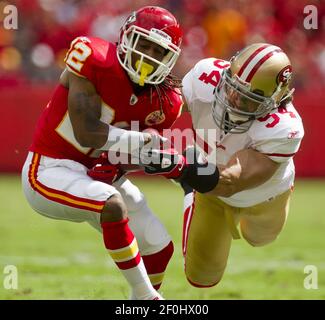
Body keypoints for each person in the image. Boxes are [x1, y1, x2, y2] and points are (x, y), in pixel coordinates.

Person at [21, 6, 183, 300]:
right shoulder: (94, 58)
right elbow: (87, 132)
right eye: (143, 44)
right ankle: (148, 297)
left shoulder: (166, 102)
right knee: (112, 204)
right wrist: (144, 142)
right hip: (49, 169)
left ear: (169, 58)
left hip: (98, 176)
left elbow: (129, 155)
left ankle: (138, 306)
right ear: (126, 38)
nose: (148, 56)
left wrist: (138, 161)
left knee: (158, 247)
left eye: (158, 51)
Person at [140, 43, 304, 288]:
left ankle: (191, 182)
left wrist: (182, 167)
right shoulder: (205, 76)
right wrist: (140, 134)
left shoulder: (283, 128)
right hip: (212, 192)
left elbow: (230, 181)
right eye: (231, 87)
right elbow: (161, 106)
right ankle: (192, 190)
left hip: (265, 197)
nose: (234, 99)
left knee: (259, 238)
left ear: (273, 101)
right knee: (201, 278)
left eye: (248, 99)